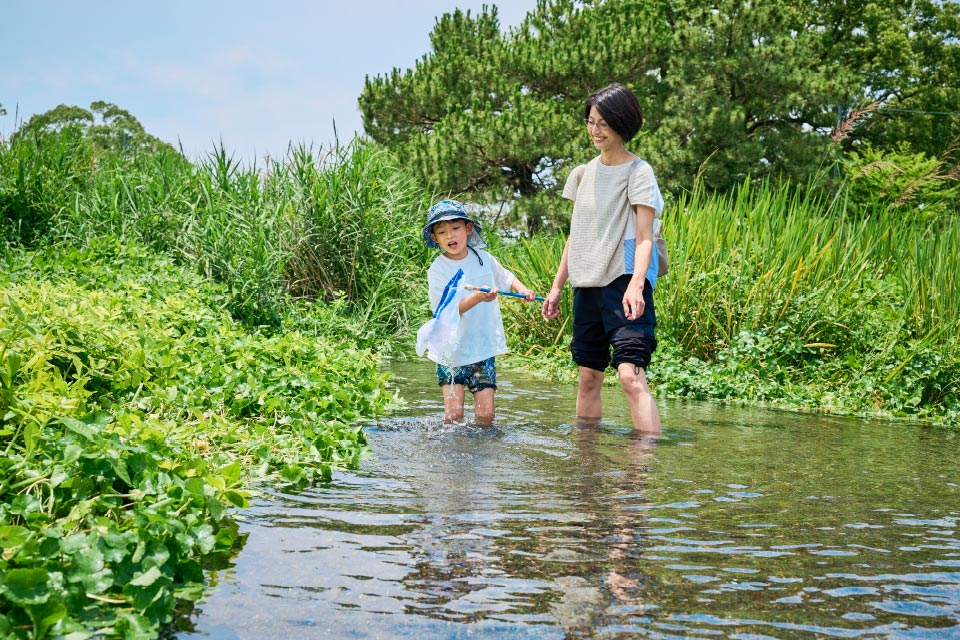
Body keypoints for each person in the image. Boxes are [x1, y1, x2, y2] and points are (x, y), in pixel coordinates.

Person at [541, 83, 664, 434]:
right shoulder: (581, 174)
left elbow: (645, 236)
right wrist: (557, 286)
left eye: (603, 123)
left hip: (624, 282)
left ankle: (641, 470)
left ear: (622, 123)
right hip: (586, 284)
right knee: (588, 377)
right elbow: (575, 236)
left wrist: (638, 285)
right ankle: (587, 464)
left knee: (630, 376)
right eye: (591, 122)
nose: (595, 130)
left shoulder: (640, 172)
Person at [421, 199, 536, 425]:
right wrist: (477, 298)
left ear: (468, 228)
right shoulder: (438, 269)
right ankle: (456, 457)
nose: (450, 236)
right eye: (442, 232)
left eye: (455, 228)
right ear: (435, 239)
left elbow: (506, 277)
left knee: (486, 416)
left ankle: (482, 458)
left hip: (482, 349)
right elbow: (445, 312)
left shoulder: (483, 259)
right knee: (454, 417)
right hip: (451, 352)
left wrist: (524, 291)